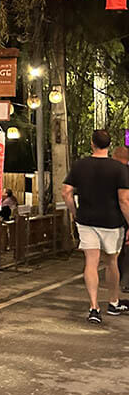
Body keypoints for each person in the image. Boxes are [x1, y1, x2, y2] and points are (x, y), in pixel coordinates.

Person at [61, 129, 129, 324]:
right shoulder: (119, 169)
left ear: (92, 143)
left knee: (91, 262)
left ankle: (93, 307)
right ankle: (113, 302)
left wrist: (75, 212)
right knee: (111, 262)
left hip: (86, 220)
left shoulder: (79, 165)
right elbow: (124, 200)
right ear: (109, 145)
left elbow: (66, 192)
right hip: (112, 221)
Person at [114, 146, 129, 292]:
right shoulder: (123, 172)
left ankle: (120, 279)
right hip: (121, 215)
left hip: (110, 217)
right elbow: (124, 200)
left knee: (115, 254)